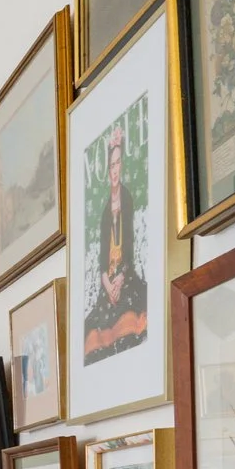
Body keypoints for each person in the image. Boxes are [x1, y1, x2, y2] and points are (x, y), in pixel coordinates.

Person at [83, 121, 148, 362]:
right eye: (111, 165)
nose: (115, 169)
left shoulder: (127, 198)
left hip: (125, 275)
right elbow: (102, 259)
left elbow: (128, 248)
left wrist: (120, 279)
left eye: (118, 163)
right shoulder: (103, 212)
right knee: (93, 328)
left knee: (131, 314)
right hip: (107, 281)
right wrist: (107, 283)